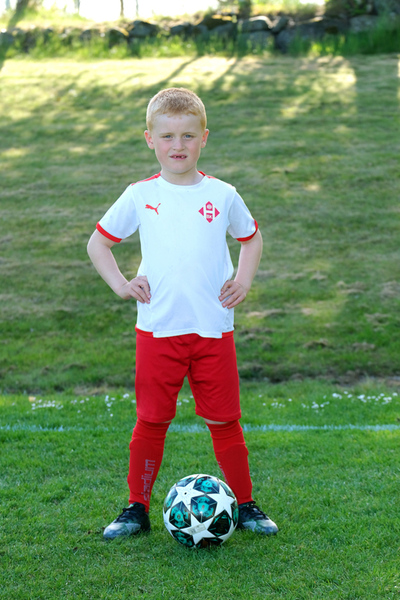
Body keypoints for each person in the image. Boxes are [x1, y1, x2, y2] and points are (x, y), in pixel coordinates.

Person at [87, 87, 278, 540]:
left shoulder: (223, 194)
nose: (178, 145)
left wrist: (244, 280)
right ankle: (136, 509)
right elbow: (98, 243)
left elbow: (251, 238)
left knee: (225, 420)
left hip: (213, 328)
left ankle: (246, 505)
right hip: (158, 329)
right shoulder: (139, 195)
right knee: (152, 420)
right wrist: (122, 285)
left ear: (204, 138)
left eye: (188, 136)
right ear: (149, 139)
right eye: (168, 136)